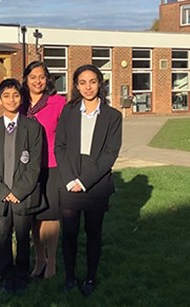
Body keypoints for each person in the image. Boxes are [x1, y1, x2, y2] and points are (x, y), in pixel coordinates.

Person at [55, 64, 122, 297]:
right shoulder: (68, 111)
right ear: (75, 85)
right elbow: (59, 146)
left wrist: (83, 181)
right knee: (70, 233)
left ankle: (90, 278)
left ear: (100, 83)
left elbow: (110, 154)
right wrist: (68, 178)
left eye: (92, 81)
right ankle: (70, 278)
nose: (88, 87)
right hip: (69, 180)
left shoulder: (113, 116)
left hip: (96, 182)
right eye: (82, 82)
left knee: (94, 233)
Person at [0, 78, 42, 293]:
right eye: (6, 96)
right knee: (3, 236)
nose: (11, 99)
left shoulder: (33, 127)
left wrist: (19, 191)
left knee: (23, 237)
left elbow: (35, 163)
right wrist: (3, 191)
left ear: (21, 98)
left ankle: (22, 275)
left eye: (16, 95)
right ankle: (6, 275)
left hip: (22, 195)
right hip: (1, 195)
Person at [21, 61, 66, 279]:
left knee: (50, 215)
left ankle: (52, 263)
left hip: (52, 166)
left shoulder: (58, 102)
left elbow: (67, 135)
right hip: (27, 168)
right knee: (34, 216)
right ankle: (39, 260)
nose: (38, 81)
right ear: (26, 80)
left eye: (42, 76)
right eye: (33, 77)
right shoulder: (20, 104)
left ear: (47, 79)